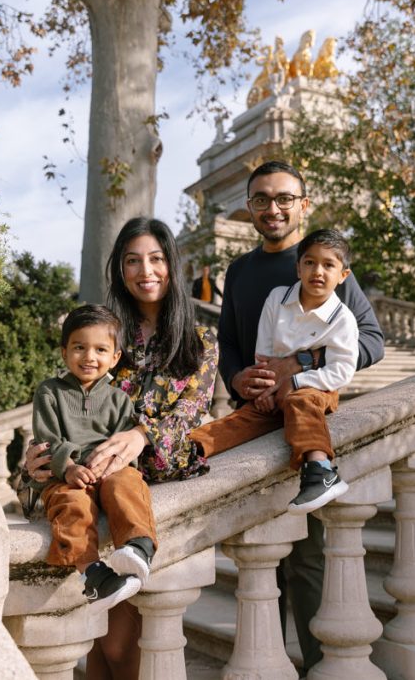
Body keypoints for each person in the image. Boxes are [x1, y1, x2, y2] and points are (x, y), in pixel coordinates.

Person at [23, 217, 218, 680]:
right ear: (120, 270)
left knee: (123, 645)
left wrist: (140, 434)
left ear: (172, 263)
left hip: (147, 493)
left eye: (155, 258)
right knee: (103, 645)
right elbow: (66, 412)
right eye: (132, 260)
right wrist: (35, 465)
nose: (144, 270)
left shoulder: (199, 342)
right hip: (87, 489)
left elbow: (188, 415)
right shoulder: (106, 338)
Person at [217, 160, 384, 672]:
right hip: (254, 414)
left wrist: (301, 365)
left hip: (301, 421)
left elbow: (370, 343)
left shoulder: (322, 262)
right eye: (262, 199)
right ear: (249, 208)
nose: (274, 208)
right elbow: (228, 346)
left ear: (303, 204)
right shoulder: (240, 272)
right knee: (258, 558)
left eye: (284, 198)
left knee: (306, 557)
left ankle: (320, 668)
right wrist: (239, 379)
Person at [189, 229, 358, 514]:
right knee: (244, 417)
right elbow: (264, 353)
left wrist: (295, 382)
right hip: (273, 386)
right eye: (310, 262)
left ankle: (321, 470)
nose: (318, 271)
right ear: (298, 267)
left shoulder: (342, 318)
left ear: (343, 275)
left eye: (329, 265)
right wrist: (267, 388)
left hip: (317, 388)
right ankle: (190, 449)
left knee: (300, 401)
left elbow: (341, 370)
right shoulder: (278, 299)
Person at [28, 304, 157, 612]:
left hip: (108, 471)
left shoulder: (119, 399)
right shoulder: (50, 392)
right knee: (72, 506)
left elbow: (124, 447)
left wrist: (111, 466)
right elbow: (46, 438)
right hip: (66, 477)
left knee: (127, 485)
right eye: (79, 347)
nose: (89, 357)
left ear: (115, 357)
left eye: (100, 349)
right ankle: (95, 576)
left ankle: (139, 544)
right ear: (64, 352)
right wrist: (68, 467)